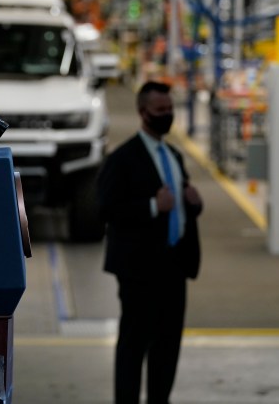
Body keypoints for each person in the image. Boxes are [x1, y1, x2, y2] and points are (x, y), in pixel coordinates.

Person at [97, 80, 204, 404]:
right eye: (161, 110)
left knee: (167, 345)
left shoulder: (172, 155)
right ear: (143, 113)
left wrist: (194, 204)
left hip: (174, 265)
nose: (167, 115)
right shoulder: (123, 158)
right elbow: (107, 209)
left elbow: (180, 205)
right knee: (134, 344)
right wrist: (153, 206)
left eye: (170, 109)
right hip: (139, 269)